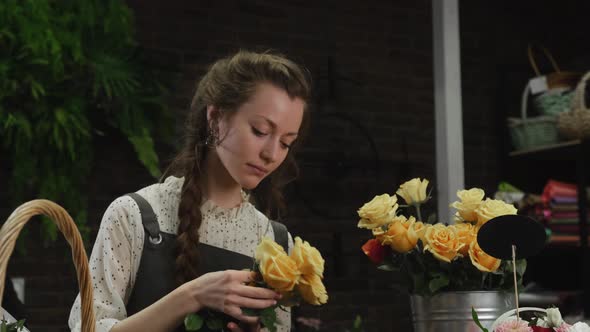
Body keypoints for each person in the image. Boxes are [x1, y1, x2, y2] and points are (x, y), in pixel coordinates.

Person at [68, 50, 311, 332]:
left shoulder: (276, 244)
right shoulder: (134, 216)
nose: (271, 154)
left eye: (286, 143)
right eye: (259, 130)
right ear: (216, 117)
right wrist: (194, 295)